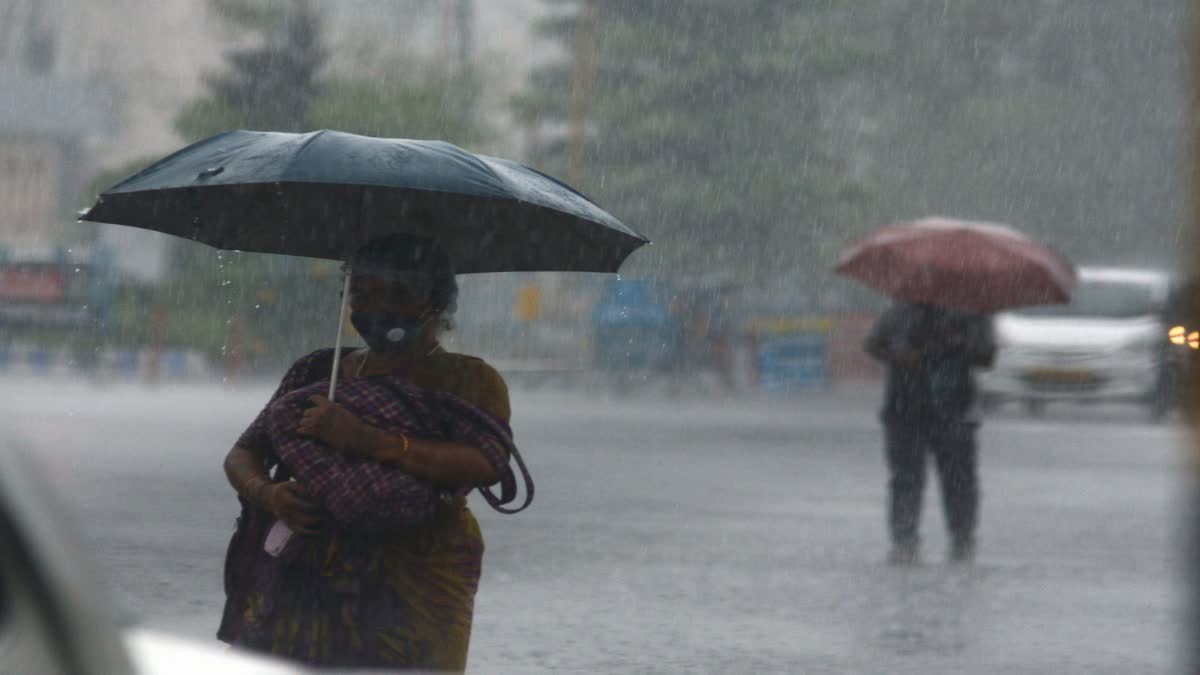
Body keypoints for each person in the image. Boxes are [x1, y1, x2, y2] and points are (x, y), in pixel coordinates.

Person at [218, 234, 532, 671]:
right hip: (310, 565)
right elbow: (243, 454)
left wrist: (368, 440)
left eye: (398, 294)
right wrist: (269, 495)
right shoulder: (317, 371)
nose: (374, 308)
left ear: (436, 303)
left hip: (420, 573)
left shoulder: (470, 380)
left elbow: (484, 464)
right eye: (363, 293)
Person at [865, 300, 996, 564]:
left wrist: (957, 343)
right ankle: (905, 541)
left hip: (953, 410)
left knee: (959, 482)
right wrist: (905, 354)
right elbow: (874, 346)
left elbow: (986, 356)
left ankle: (962, 540)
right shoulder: (902, 310)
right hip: (906, 411)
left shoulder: (972, 312)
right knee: (906, 479)